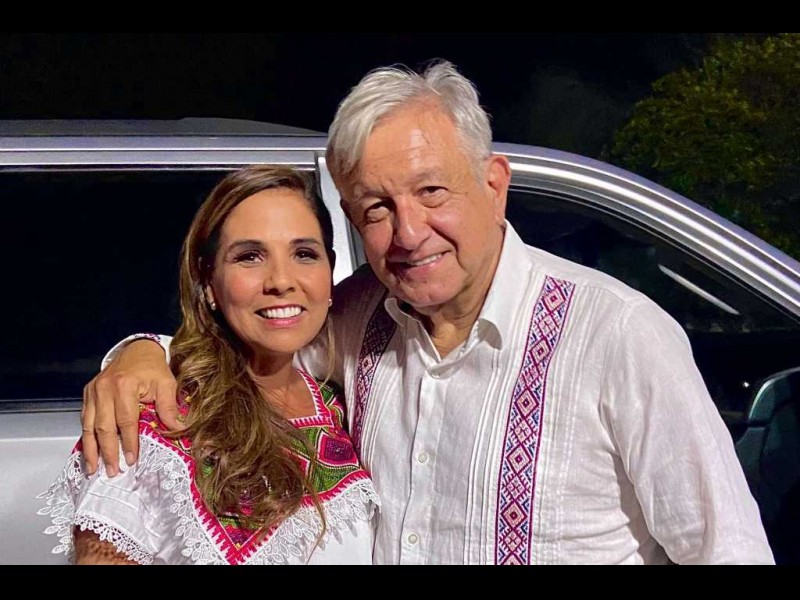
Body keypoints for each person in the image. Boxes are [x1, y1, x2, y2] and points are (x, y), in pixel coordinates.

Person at [80, 61, 773, 564]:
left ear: (494, 185)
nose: (409, 234)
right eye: (376, 208)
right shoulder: (359, 318)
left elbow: (728, 551)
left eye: (432, 191)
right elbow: (251, 337)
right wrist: (139, 355)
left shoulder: (617, 335)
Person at [38, 165, 379, 565]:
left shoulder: (341, 406)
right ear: (208, 280)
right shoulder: (150, 420)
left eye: (304, 254)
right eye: (249, 257)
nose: (281, 280)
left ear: (330, 272)